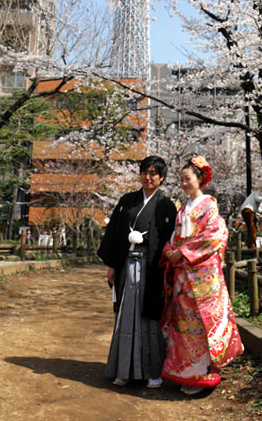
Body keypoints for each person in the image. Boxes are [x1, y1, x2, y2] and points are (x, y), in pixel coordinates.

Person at [161, 155, 244, 396]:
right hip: (183, 276)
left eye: (187, 178)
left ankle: (203, 373)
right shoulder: (182, 209)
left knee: (200, 324)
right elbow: (174, 237)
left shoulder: (209, 206)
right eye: (181, 180)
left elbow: (216, 235)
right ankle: (185, 371)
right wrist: (170, 251)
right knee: (184, 325)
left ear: (200, 179)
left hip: (202, 276)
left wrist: (184, 252)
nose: (184, 183)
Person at [97, 155, 177, 389]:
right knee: (125, 316)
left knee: (149, 318)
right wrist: (112, 266)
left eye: (153, 173)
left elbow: (170, 241)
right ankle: (124, 370)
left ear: (161, 178)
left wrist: (168, 275)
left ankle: (153, 371)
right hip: (125, 267)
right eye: (145, 172)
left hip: (152, 269)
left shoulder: (166, 206)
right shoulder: (127, 201)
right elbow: (113, 234)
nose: (148, 177)